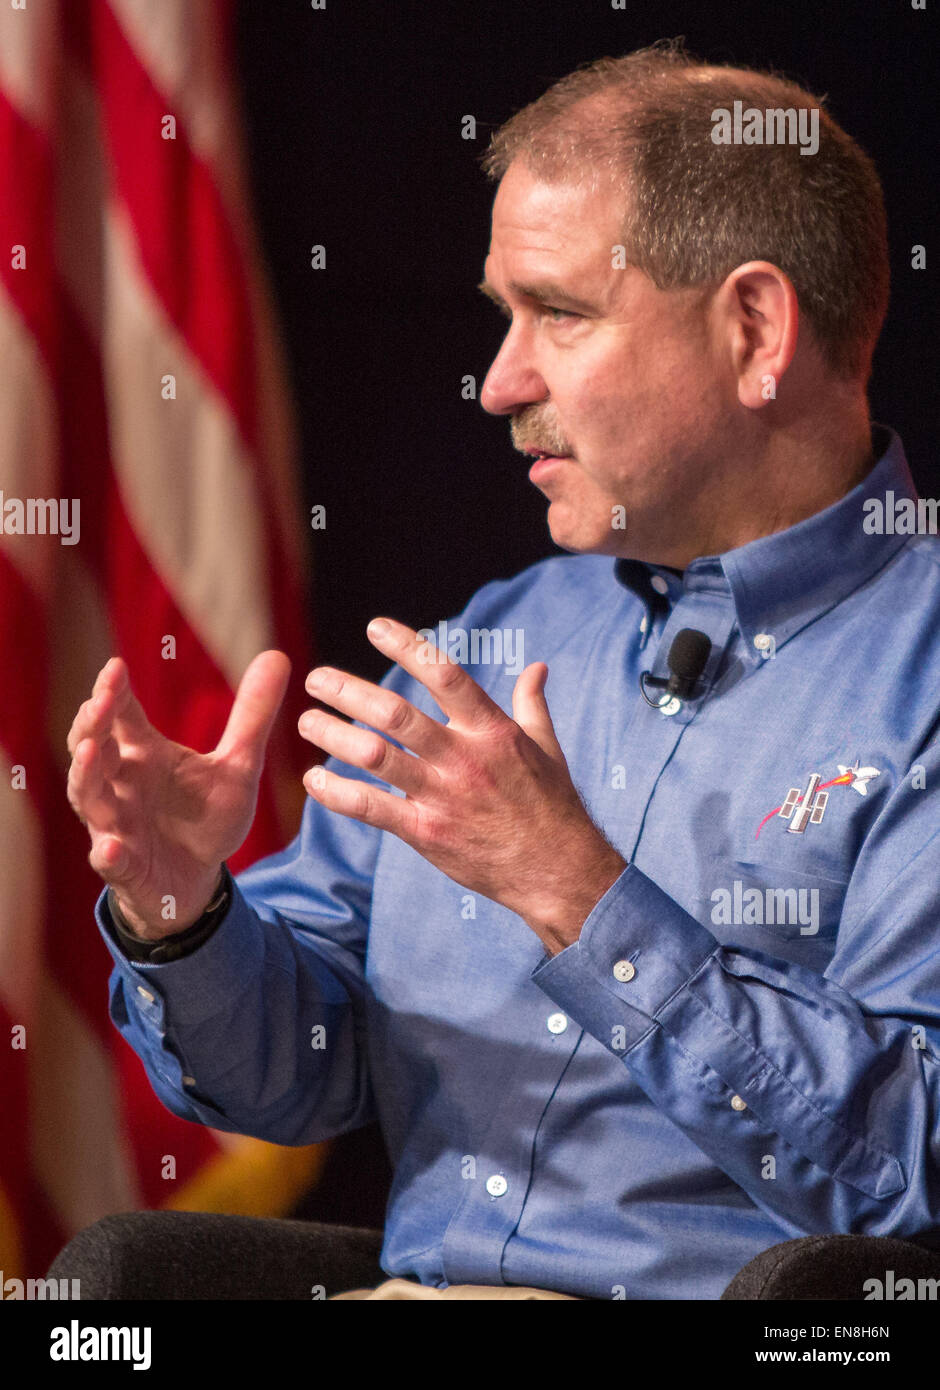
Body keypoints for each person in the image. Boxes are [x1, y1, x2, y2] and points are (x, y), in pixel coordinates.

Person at [64, 41, 940, 1300]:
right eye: (501, 315)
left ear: (754, 328)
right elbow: (303, 1073)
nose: (496, 384)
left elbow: (902, 1171)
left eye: (561, 314)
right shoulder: (500, 631)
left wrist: (575, 891)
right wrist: (185, 913)